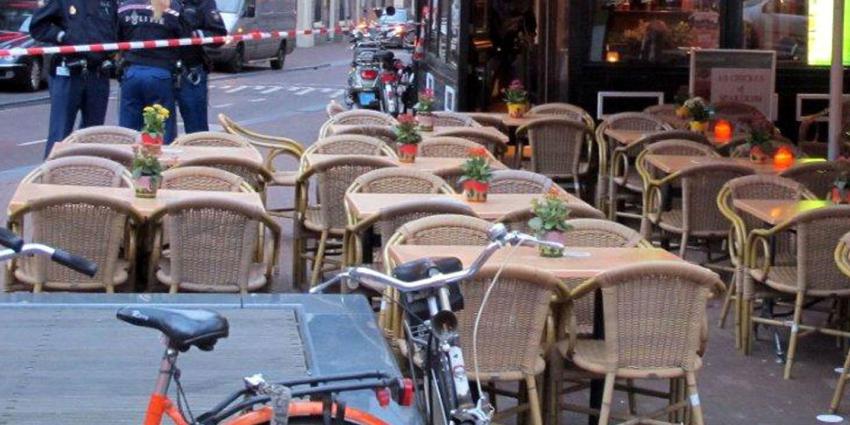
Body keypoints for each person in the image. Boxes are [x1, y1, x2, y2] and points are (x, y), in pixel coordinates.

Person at [30, 0, 119, 157]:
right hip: (69, 73)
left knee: (94, 133)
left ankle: (86, 175)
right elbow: (38, 26)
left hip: (98, 73)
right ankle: (53, 175)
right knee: (61, 132)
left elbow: (117, 27)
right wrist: (63, 36)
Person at [117, 0, 190, 143]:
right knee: (160, 130)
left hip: (132, 72)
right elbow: (185, 41)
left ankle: (129, 161)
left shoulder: (125, 6)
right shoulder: (173, 8)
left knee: (129, 131)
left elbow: (117, 38)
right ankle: (159, 163)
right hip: (160, 74)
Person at [174, 0, 226, 135]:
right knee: (157, 129)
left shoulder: (202, 3)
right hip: (160, 70)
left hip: (190, 71)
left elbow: (219, 36)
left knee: (196, 132)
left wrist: (196, 34)